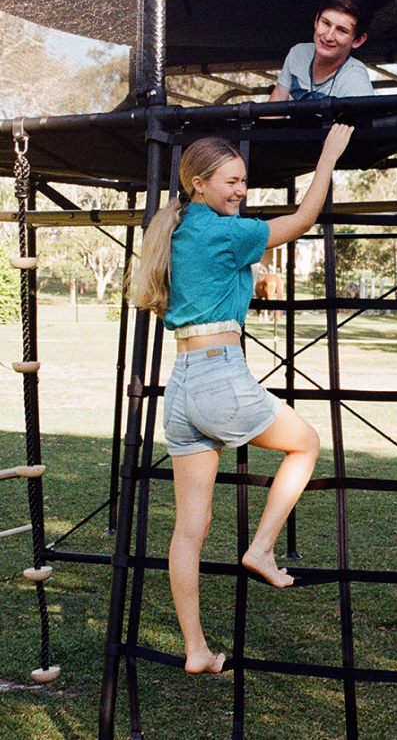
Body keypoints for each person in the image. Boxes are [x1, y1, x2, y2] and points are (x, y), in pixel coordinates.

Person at [129, 124, 353, 674]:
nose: (241, 191)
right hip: (218, 376)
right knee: (306, 444)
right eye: (231, 182)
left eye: (244, 182)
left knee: (188, 529)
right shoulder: (223, 233)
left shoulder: (177, 230)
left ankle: (197, 650)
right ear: (199, 184)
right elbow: (302, 220)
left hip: (180, 383)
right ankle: (262, 547)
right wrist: (327, 156)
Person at [268, 0, 375, 101]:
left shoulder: (355, 79)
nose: (328, 37)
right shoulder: (298, 53)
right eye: (326, 23)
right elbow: (272, 112)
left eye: (342, 31)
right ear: (316, 20)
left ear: (358, 40)